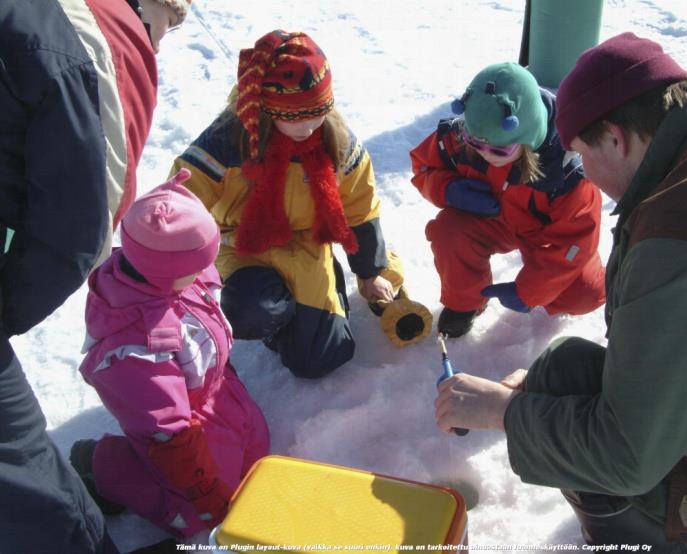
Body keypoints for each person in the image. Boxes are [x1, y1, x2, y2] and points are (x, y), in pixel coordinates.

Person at [434, 32, 687, 553]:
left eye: (580, 155)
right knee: (560, 377)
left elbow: (625, 456)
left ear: (615, 139)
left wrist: (499, 413)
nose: (587, 177)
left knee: (590, 453)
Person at [0, 0, 191, 551]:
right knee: (23, 471)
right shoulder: (91, 40)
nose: (155, 44)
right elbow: (82, 225)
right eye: (161, 25)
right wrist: (7, 311)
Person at [172, 30, 429, 379]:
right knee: (251, 312)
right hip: (244, 245)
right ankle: (281, 315)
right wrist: (167, 263)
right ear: (266, 109)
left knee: (322, 360)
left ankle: (360, 275)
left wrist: (369, 271)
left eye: (317, 114)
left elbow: (359, 206)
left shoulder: (336, 141)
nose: (308, 128)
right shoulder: (230, 138)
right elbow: (184, 197)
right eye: (293, 118)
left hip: (309, 242)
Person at [72, 169, 270, 539]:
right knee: (205, 513)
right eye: (195, 266)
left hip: (212, 394)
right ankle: (106, 465)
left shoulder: (176, 273)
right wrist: (203, 490)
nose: (205, 270)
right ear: (165, 273)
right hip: (175, 431)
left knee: (258, 457)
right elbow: (167, 430)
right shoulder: (138, 350)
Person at [410, 62, 605, 338]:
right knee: (449, 231)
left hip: (544, 232)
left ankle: (613, 280)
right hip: (492, 219)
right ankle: (465, 304)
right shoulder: (461, 136)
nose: (485, 153)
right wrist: (447, 189)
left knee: (584, 294)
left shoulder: (567, 172)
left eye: (498, 149)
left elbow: (576, 240)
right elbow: (424, 167)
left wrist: (529, 291)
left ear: (528, 136)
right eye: (475, 143)